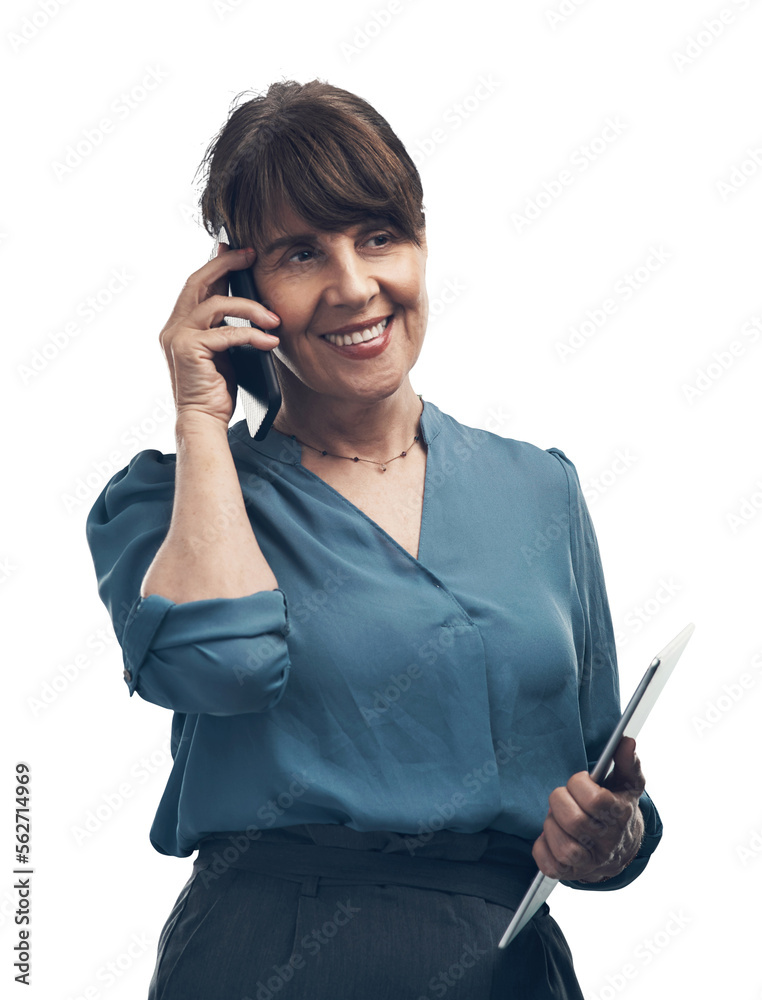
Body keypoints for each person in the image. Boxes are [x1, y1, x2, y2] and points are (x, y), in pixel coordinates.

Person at [85, 79, 662, 1000]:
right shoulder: (168, 501)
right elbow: (219, 667)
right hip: (271, 960)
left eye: (379, 236)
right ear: (242, 289)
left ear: (421, 243)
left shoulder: (539, 488)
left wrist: (613, 835)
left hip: (507, 964)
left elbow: (596, 775)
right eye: (302, 253)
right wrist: (202, 414)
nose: (355, 286)